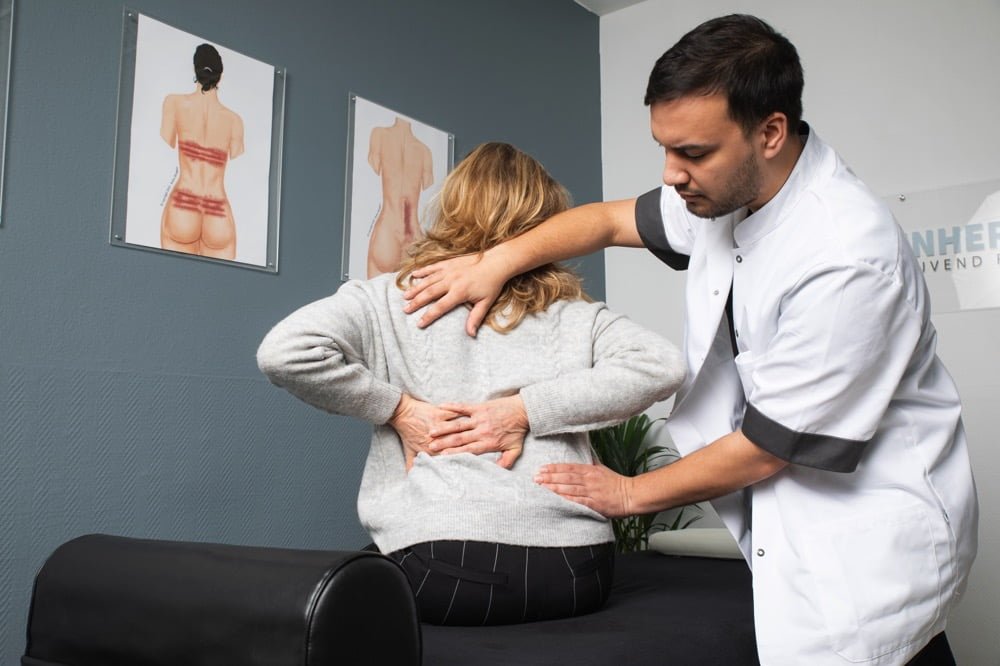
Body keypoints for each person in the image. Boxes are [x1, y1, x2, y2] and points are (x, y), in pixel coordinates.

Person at [400, 15, 978, 665]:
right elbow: (604, 220)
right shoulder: (725, 188)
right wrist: (495, 263)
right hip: (785, 523)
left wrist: (627, 494)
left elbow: (766, 447)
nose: (672, 174)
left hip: (864, 546)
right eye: (664, 149)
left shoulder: (846, 256)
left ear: (770, 132)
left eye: (693, 153)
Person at [257, 142, 684, 626]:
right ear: (545, 226)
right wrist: (532, 409)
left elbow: (283, 350)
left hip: (445, 572)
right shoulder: (574, 314)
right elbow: (663, 364)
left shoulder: (390, 298)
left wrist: (399, 410)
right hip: (579, 572)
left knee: (352, 583)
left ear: (450, 208)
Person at [160, 43, 244, 259]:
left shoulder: (174, 103)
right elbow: (238, 156)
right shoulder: (234, 120)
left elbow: (165, 142)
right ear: (220, 76)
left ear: (195, 71)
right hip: (218, 209)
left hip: (183, 203)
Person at [366, 117, 434, 278]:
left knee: (372, 299)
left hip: (387, 230)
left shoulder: (380, 134)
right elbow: (428, 182)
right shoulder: (424, 151)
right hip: (415, 237)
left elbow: (374, 164)